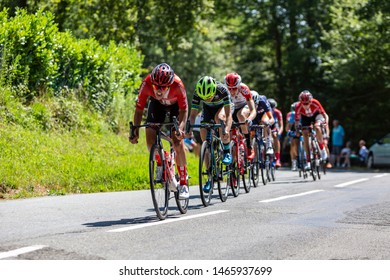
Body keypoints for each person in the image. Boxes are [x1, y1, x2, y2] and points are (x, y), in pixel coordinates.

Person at [129, 63, 189, 199]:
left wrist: (180, 128)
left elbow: (184, 110)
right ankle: (162, 159)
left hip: (176, 108)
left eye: (163, 88)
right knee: (150, 139)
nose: (159, 91)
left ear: (170, 84)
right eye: (156, 87)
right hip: (157, 105)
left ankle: (184, 182)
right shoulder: (147, 83)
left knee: (177, 141)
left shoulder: (178, 85)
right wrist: (135, 132)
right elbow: (139, 110)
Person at [187, 76, 233, 193]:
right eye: (204, 98)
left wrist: (226, 129)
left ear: (214, 91)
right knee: (205, 142)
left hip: (222, 107)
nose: (207, 99)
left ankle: (227, 151)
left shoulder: (222, 90)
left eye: (209, 97)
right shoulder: (198, 93)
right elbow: (192, 116)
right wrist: (189, 130)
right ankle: (210, 177)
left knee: (219, 119)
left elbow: (229, 116)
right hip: (208, 110)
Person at [224, 72, 257, 159]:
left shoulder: (244, 89)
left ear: (238, 86)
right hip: (232, 108)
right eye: (229, 88)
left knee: (240, 115)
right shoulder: (224, 90)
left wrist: (249, 118)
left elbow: (253, 110)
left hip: (244, 107)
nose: (231, 91)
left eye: (234, 88)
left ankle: (249, 146)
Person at [294, 90, 329, 171]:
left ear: (310, 101)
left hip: (317, 116)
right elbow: (296, 121)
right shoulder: (298, 106)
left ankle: (322, 148)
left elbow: (325, 115)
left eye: (307, 103)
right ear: (300, 102)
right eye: (304, 104)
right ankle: (308, 161)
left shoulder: (315, 102)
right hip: (305, 118)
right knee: (305, 133)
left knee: (317, 127)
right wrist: (297, 129)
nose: (306, 106)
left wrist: (326, 123)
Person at [268, 98, 283, 168]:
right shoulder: (265, 111)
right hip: (267, 125)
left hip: (274, 125)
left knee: (275, 135)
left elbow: (281, 125)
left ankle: (278, 159)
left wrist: (279, 133)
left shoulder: (278, 112)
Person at [285, 102, 300, 171]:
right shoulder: (291, 114)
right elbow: (289, 124)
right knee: (293, 145)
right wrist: (288, 131)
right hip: (295, 130)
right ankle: (294, 162)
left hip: (302, 128)